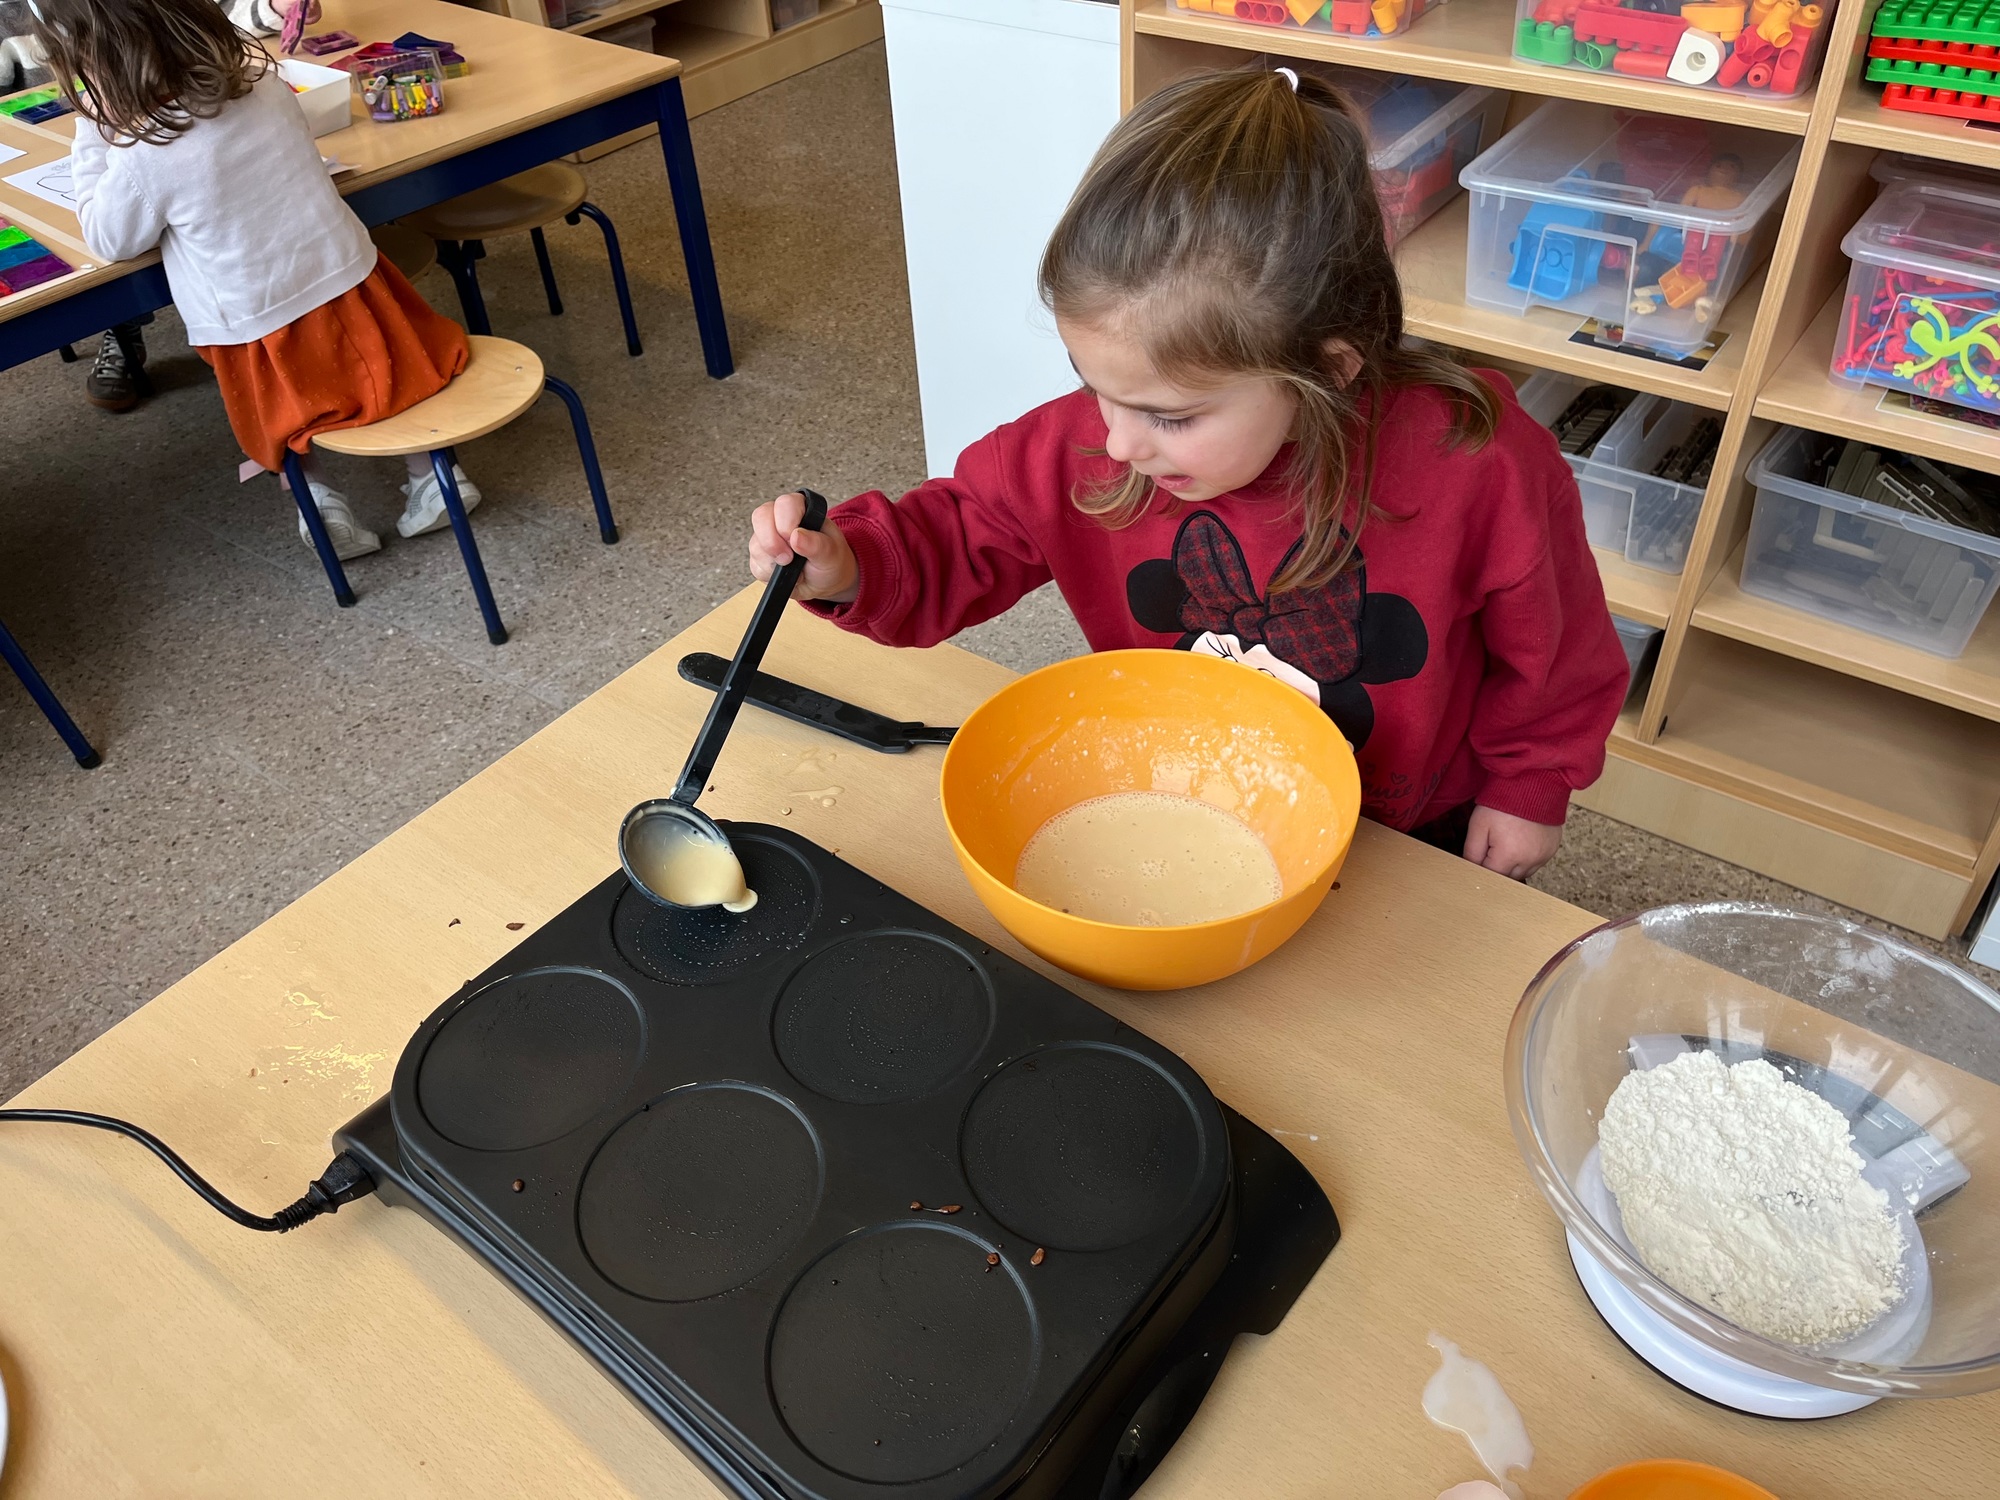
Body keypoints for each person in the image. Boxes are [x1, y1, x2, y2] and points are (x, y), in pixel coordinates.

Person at [747, 67, 1629, 880]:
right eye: (1093, 387)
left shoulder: (1478, 462)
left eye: (1170, 416)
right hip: (1186, 787)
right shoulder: (1083, 445)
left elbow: (1557, 651)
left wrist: (1530, 786)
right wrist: (853, 564)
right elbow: (958, 533)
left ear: (1327, 369)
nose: (1118, 444)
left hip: (1402, 829)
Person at [30, 0, 481, 559]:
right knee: (389, 376)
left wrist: (96, 131)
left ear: (97, 66)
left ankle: (320, 506)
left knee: (286, 421)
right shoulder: (263, 84)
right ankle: (435, 478)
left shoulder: (144, 149)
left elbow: (108, 238)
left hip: (256, 324)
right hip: (350, 283)